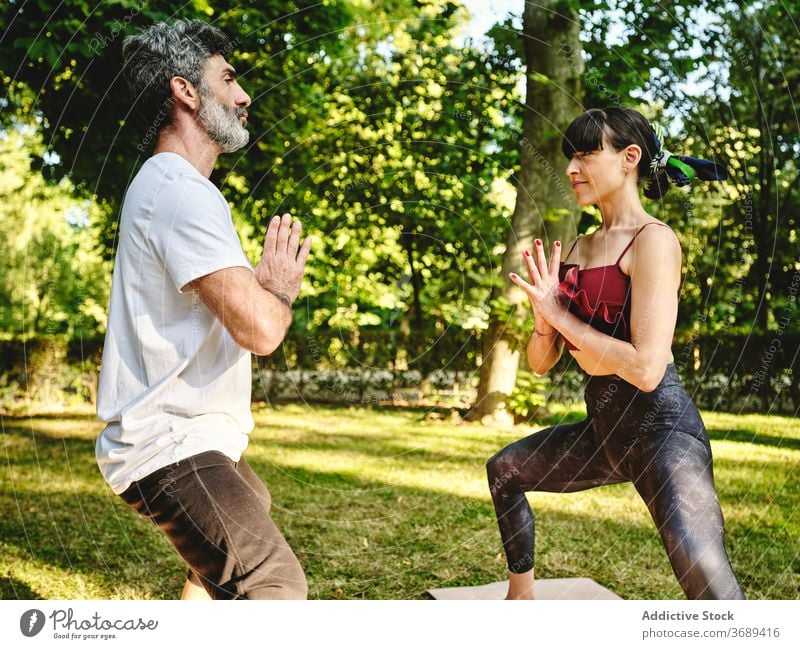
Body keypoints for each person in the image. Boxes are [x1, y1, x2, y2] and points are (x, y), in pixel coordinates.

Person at [486, 107, 744, 600]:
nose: (571, 168)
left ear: (630, 158)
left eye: (585, 154)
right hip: (606, 432)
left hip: (661, 431)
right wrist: (544, 322)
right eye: (569, 157)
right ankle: (519, 598)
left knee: (702, 571)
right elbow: (542, 363)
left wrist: (560, 316)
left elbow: (646, 369)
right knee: (505, 471)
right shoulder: (580, 248)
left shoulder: (655, 241)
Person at [95, 19, 311, 600]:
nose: (244, 97)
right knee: (274, 584)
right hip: (169, 445)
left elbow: (234, 316)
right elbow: (262, 331)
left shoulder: (172, 187)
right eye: (229, 79)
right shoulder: (180, 191)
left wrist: (260, 294)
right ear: (185, 92)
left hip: (194, 439)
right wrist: (279, 293)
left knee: (250, 504)